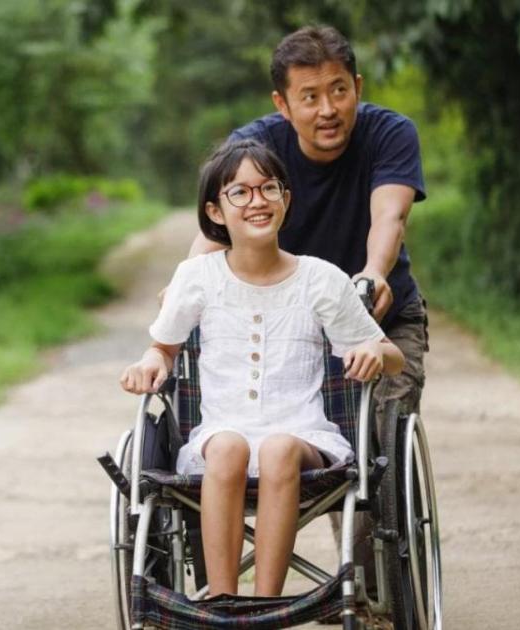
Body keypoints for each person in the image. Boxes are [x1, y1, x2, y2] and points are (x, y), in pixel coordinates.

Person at [183, 25, 429, 602]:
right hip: (281, 324)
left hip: (374, 322)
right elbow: (217, 226)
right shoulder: (257, 147)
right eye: (310, 97)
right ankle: (225, 592)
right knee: (231, 441)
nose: (328, 109)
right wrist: (183, 286)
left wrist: (370, 274)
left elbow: (388, 218)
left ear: (357, 87)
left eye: (339, 91)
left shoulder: (388, 133)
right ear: (282, 103)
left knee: (376, 445)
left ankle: (370, 594)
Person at [120, 138, 403, 598]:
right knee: (229, 445)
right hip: (220, 441)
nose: (257, 201)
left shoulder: (320, 278)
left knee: (277, 448)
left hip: (303, 439)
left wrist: (375, 353)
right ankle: (225, 599)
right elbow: (163, 348)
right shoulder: (197, 278)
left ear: (285, 201)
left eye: (268, 189)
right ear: (215, 212)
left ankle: (264, 606)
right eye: (240, 192)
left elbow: (393, 355)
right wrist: (149, 361)